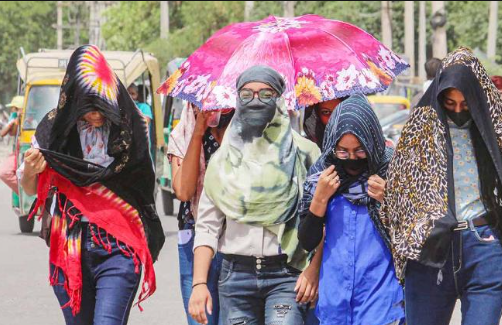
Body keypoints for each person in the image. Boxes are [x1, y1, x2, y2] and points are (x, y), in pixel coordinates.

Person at [384, 48, 502, 325]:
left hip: (483, 247)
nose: (457, 111)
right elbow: (400, 192)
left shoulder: (498, 131)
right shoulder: (419, 133)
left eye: (465, 104)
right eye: (449, 103)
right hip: (432, 252)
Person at [19, 45, 165, 325]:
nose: (96, 114)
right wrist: (31, 173)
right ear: (73, 98)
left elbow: (143, 184)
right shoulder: (53, 129)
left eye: (102, 105)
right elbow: (28, 188)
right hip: (69, 245)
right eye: (88, 107)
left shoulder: (131, 125)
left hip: (119, 248)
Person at [188, 66, 321, 325]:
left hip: (288, 274)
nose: (256, 101)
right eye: (247, 94)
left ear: (280, 99)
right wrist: (199, 283)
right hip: (235, 277)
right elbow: (207, 227)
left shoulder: (304, 154)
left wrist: (314, 270)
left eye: (266, 93)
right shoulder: (223, 160)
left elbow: (321, 221)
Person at [298, 94, 405, 325]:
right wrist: (319, 200)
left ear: (372, 141)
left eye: (360, 151)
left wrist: (391, 200)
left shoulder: (392, 171)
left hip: (381, 298)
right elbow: (307, 240)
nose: (352, 159)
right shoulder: (323, 174)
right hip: (334, 299)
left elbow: (415, 231)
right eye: (343, 152)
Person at [168, 101, 234, 325]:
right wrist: (198, 132)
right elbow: (184, 191)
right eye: (200, 104)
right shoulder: (183, 132)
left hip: (237, 240)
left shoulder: (246, 134)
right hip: (194, 236)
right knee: (201, 319)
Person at [0, 96, 24, 193]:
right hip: (17, 150)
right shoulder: (14, 118)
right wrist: (14, 122)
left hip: (23, 150)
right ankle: (22, 191)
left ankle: (25, 192)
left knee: (5, 172)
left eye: (13, 108)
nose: (11, 110)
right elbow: (6, 133)